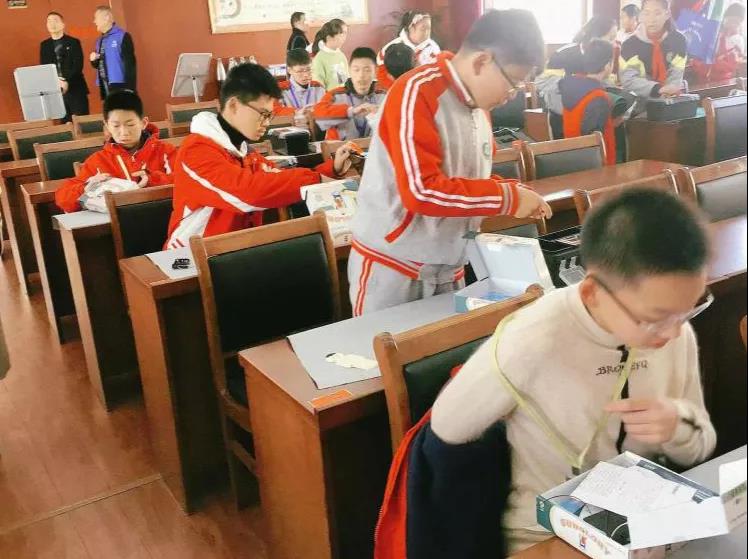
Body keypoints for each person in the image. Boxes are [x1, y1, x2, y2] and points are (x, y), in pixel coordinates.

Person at [428, 188, 717, 553]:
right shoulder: (533, 338)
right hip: (548, 536)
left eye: (689, 309)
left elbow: (699, 447)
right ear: (592, 292)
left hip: (641, 524)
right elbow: (447, 428)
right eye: (655, 318)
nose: (674, 333)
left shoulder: (675, 331)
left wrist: (677, 425)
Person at [348, 10, 552, 316]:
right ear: (482, 61)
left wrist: (511, 190)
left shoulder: (478, 106)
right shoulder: (416, 91)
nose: (512, 96)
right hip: (394, 267)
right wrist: (505, 198)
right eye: (514, 83)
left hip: (448, 265)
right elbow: (421, 191)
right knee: (382, 347)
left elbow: (463, 180)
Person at [164, 63, 356, 249]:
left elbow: (279, 178)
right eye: (263, 114)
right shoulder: (195, 151)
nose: (266, 123)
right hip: (190, 257)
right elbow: (249, 193)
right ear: (234, 105)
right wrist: (315, 179)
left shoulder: (245, 152)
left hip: (236, 250)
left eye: (269, 116)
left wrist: (331, 169)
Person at [55, 90, 176, 213]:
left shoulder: (165, 151)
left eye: (130, 125)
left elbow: (183, 181)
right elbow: (63, 199)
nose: (124, 132)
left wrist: (152, 180)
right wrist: (87, 187)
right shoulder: (98, 161)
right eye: (116, 126)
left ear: (143, 123)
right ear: (107, 126)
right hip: (117, 221)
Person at [535, 16, 618, 118]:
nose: (614, 43)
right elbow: (541, 82)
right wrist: (576, 83)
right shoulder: (564, 54)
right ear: (595, 37)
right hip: (561, 111)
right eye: (611, 38)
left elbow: (605, 83)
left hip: (591, 108)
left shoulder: (603, 56)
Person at [558, 39, 618, 164]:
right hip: (596, 163)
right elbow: (594, 138)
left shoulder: (571, 86)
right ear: (608, 65)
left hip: (573, 157)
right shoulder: (597, 97)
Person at [620, 0, 687, 102]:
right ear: (641, 15)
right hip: (639, 102)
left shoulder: (679, 40)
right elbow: (628, 80)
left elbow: (676, 73)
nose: (651, 19)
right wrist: (658, 89)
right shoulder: (629, 44)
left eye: (657, 13)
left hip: (670, 99)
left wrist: (670, 90)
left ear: (667, 14)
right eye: (647, 13)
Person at [314, 47, 386, 140]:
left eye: (367, 70)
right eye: (356, 70)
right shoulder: (336, 95)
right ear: (349, 71)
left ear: (375, 72)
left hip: (372, 148)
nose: (361, 75)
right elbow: (318, 115)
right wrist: (351, 111)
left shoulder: (383, 95)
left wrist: (382, 112)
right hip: (340, 148)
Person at [40, 11, 89, 122]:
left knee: (81, 122)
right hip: (56, 91)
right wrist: (56, 81)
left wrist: (66, 80)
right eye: (49, 21)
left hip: (75, 88)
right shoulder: (44, 45)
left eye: (55, 21)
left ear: (63, 24)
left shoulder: (73, 42)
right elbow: (45, 67)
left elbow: (78, 65)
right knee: (64, 124)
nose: (52, 24)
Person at [376, 11, 441, 89]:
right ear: (411, 28)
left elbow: (438, 71)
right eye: (423, 29)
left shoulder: (433, 47)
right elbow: (382, 74)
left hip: (426, 89)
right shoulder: (392, 48)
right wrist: (398, 89)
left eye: (429, 28)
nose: (427, 32)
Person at [90, 5, 137, 99]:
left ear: (106, 18)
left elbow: (130, 65)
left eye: (96, 18)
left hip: (120, 85)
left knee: (122, 108)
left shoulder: (122, 36)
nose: (94, 21)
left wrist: (130, 89)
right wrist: (93, 60)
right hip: (104, 86)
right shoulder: (99, 41)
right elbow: (98, 64)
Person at [692, 2, 746, 83]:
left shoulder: (738, 40)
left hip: (723, 81)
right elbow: (698, 56)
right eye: (731, 20)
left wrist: (711, 63)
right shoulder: (712, 33)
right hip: (702, 78)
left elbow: (729, 65)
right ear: (724, 18)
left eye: (737, 22)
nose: (733, 24)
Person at [275, 49, 327, 130]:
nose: (305, 75)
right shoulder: (280, 90)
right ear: (289, 70)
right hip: (293, 133)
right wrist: (297, 112)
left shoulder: (318, 87)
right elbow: (275, 112)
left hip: (317, 131)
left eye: (309, 69)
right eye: (300, 71)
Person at [311, 19, 349, 90]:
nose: (345, 37)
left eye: (346, 33)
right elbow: (318, 88)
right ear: (329, 37)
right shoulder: (319, 59)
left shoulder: (341, 55)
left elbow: (346, 80)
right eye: (342, 33)